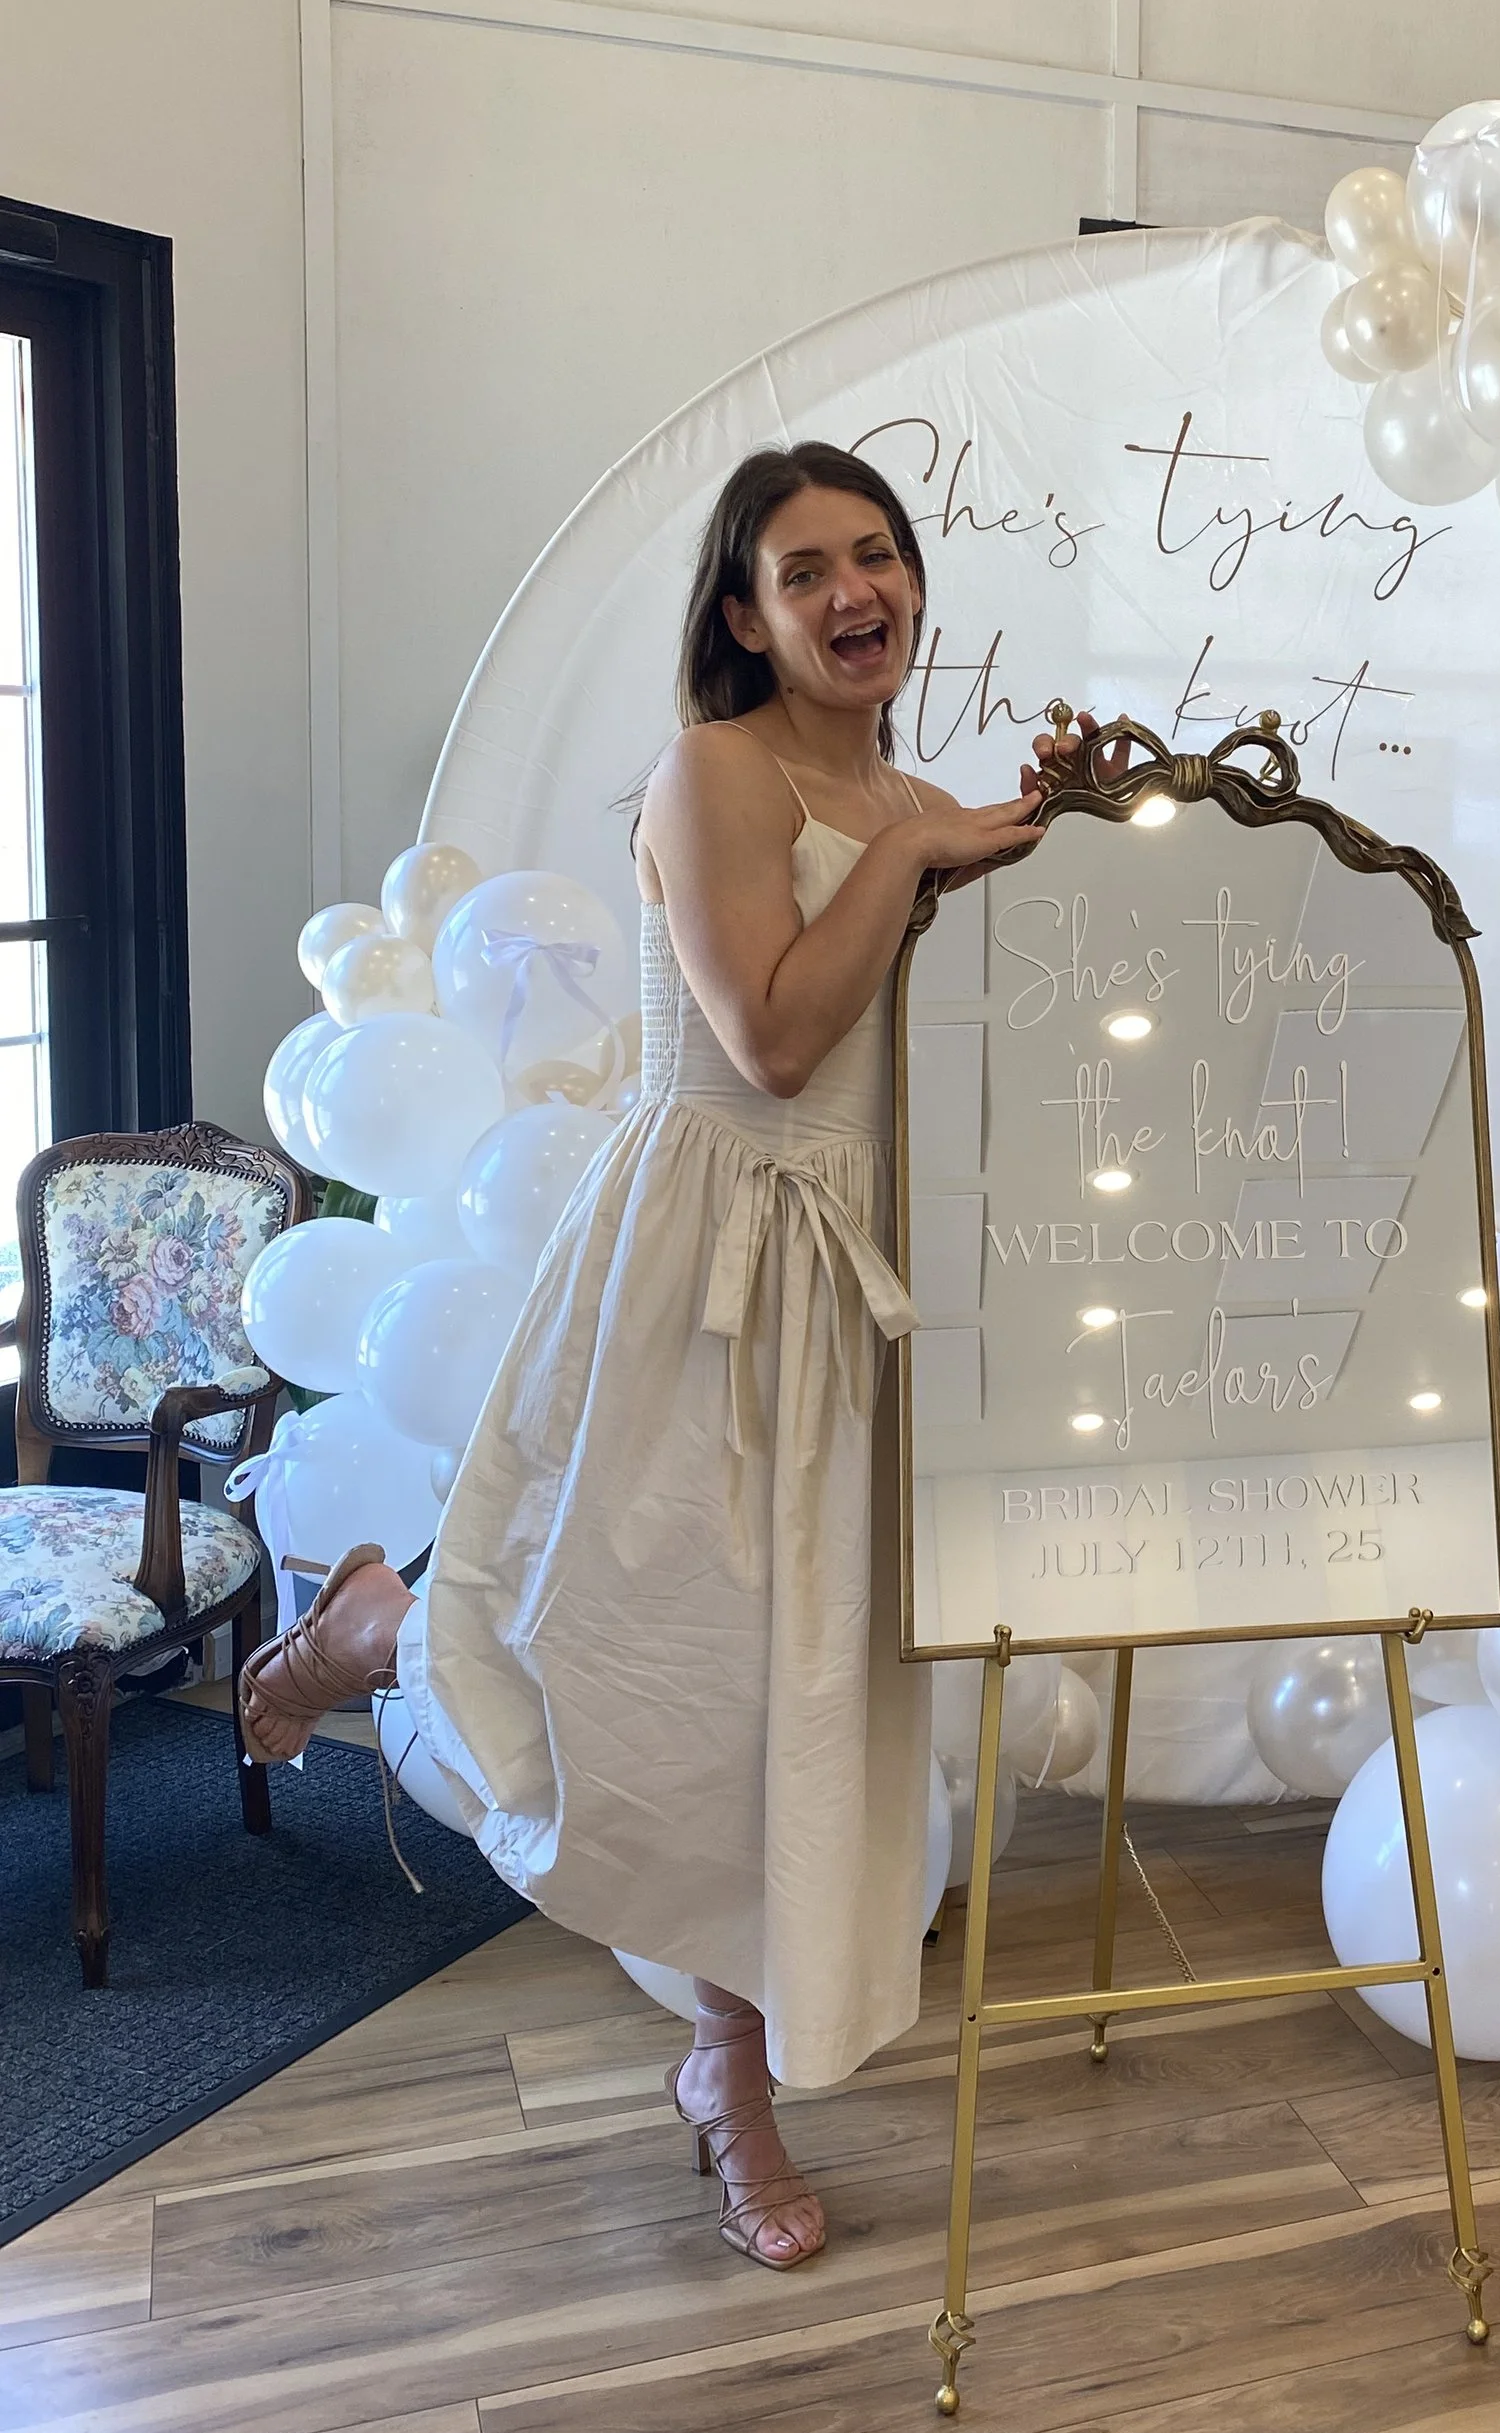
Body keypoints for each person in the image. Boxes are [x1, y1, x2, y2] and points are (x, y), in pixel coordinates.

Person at [239, 441, 1059, 2269]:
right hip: (708, 1260)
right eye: (804, 570)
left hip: (849, 1282)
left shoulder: (915, 799)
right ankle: (381, 1629)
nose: (853, 592)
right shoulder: (715, 773)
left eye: (876, 555)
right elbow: (771, 1040)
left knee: (786, 1690)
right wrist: (915, 852)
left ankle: (721, 2067)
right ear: (745, 618)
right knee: (650, 1668)